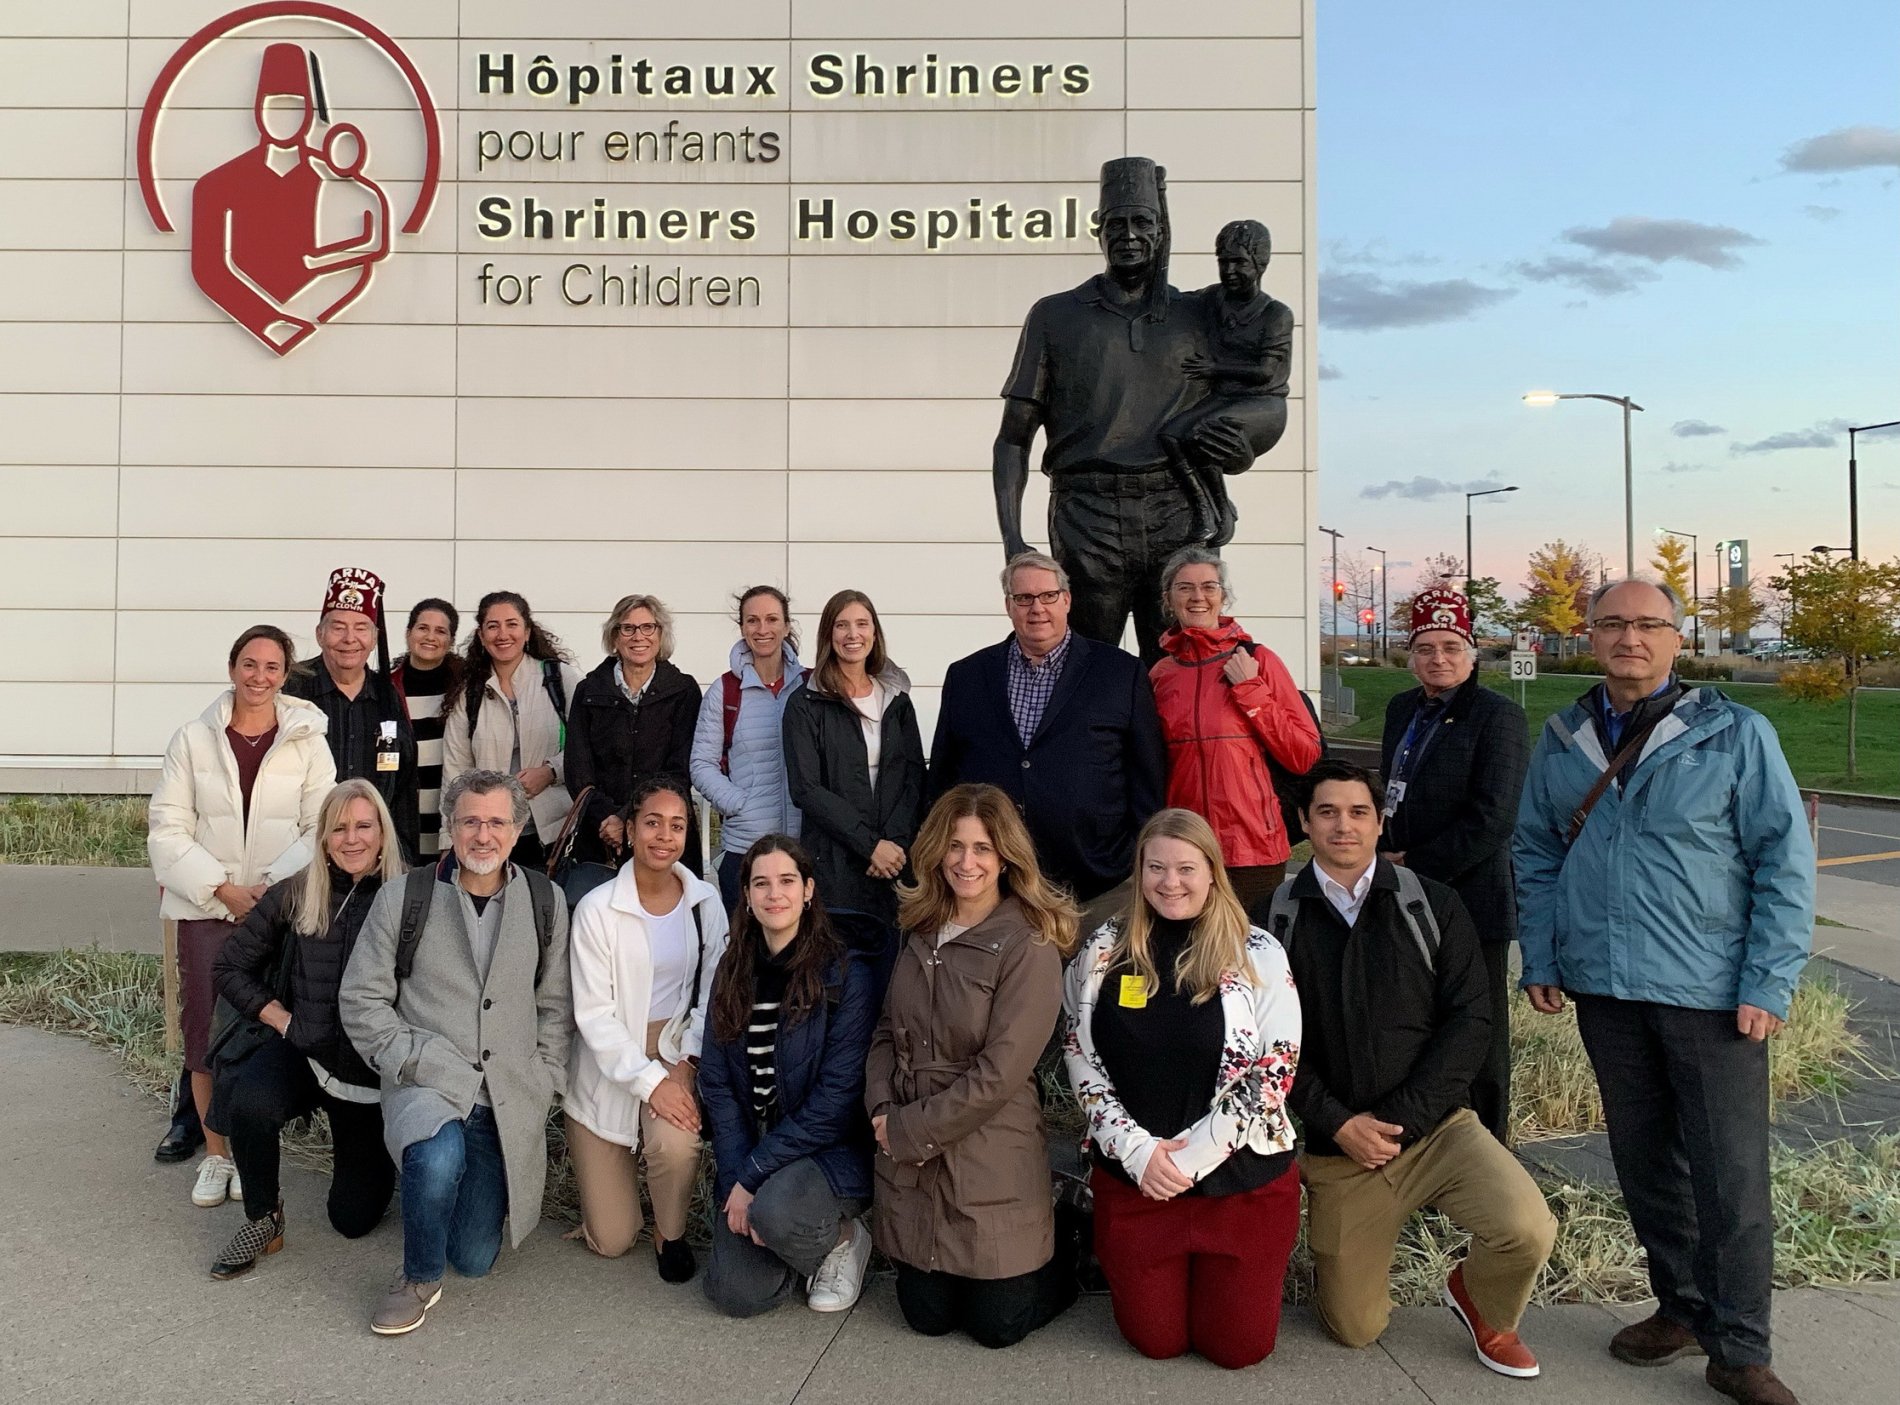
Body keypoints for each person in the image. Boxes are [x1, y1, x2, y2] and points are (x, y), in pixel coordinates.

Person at [1514, 579, 1814, 1405]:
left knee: (1731, 1178)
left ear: (1678, 638)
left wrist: (1768, 979)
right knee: (1646, 1162)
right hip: (1607, 989)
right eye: (1613, 623)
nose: (1630, 637)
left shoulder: (1736, 734)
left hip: (1710, 993)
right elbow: (1535, 851)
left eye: (1649, 623)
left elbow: (1783, 863)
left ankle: (1740, 1347)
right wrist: (1542, 955)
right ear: (1590, 635)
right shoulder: (1565, 736)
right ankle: (1680, 1305)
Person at [1271, 760, 1555, 1378]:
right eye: (1326, 812)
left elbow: (1471, 1021)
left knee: (1527, 1229)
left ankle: (1484, 1307)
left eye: (1358, 812)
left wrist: (1399, 1121)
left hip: (1438, 1133)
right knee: (1354, 1328)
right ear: (1304, 823)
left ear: (1380, 822)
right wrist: (1338, 1123)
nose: (1343, 826)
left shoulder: (1432, 904)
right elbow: (1266, 1043)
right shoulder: (1275, 919)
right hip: (1340, 1149)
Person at [993, 158, 1266, 660]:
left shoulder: (1199, 315)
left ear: (1161, 230)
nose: (1130, 235)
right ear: (1098, 230)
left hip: (1177, 510)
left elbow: (1256, 397)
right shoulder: (1056, 316)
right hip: (1087, 516)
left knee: (1183, 665)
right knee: (1085, 668)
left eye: (1143, 221)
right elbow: (1013, 438)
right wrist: (1013, 538)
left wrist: (1243, 447)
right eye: (1116, 223)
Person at [1064, 808, 1303, 1370]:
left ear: (1213, 872)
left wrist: (1189, 1160)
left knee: (1238, 1349)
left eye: (1186, 868)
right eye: (1156, 868)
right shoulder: (1105, 948)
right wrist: (1139, 1153)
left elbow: (1275, 1068)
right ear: (1139, 872)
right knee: (1156, 1340)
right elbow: (1078, 1051)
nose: (1170, 882)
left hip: (1241, 1186)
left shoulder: (1257, 951)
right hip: (1138, 1185)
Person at [338, 769, 572, 1337]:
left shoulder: (546, 900)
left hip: (505, 1096)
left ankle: (435, 1195)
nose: (483, 835)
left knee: (473, 1257)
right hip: (428, 1082)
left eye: (496, 822)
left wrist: (545, 1078)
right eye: (470, 821)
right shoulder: (405, 897)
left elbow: (555, 1005)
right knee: (437, 1154)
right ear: (450, 826)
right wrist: (411, 1059)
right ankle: (417, 1278)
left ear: (516, 830)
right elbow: (361, 1000)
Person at [866, 784, 1080, 1348]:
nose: (967, 862)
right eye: (955, 845)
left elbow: (1000, 1073)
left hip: (989, 1143)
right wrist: (882, 1106)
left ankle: (1070, 1239)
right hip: (913, 1149)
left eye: (983, 848)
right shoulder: (920, 926)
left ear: (1006, 856)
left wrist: (909, 1130)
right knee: (926, 1316)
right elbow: (887, 1030)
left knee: (996, 1326)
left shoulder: (1028, 942)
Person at [148, 624, 336, 1211]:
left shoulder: (308, 740)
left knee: (263, 1024)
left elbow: (320, 826)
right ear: (232, 668)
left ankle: (254, 1148)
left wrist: (268, 890)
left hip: (278, 908)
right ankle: (216, 1154)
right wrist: (222, 890)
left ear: (286, 674)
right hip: (207, 907)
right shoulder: (192, 738)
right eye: (249, 664)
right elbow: (168, 827)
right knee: (204, 1028)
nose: (260, 676)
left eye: (272, 666)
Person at [207, 779, 403, 1279]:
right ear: (323, 838)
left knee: (352, 1220)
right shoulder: (296, 891)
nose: (352, 839)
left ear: (382, 833)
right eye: (339, 828)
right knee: (251, 1100)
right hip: (307, 1050)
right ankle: (263, 1217)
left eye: (364, 826)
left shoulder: (411, 896)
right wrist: (280, 1018)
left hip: (368, 1075)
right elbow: (229, 966)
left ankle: (380, 1160)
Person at [929, 551, 1166, 928]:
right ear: (1008, 606)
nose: (1037, 608)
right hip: (994, 886)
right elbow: (944, 777)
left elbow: (1147, 778)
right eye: (1024, 598)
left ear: (1067, 600)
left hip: (1098, 883)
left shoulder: (1120, 673)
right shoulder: (968, 676)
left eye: (1048, 596)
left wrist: (1133, 855)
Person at [700, 835, 879, 1317]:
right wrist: (737, 1177)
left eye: (786, 881)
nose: (774, 894)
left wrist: (753, 1176)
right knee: (737, 1294)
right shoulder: (732, 970)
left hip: (827, 1154)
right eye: (761, 883)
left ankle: (843, 1237)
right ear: (746, 895)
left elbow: (837, 1101)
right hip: (755, 1149)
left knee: (775, 1211)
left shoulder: (845, 974)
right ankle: (793, 1241)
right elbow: (717, 1084)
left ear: (808, 890)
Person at [1378, 585, 1529, 1141]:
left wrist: (1416, 864)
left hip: (1470, 898)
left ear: (1472, 653)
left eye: (1450, 647)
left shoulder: (1498, 717)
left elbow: (1494, 818)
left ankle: (1490, 1146)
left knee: (1476, 1030)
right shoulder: (1402, 709)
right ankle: (1429, 1138)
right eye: (1425, 648)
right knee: (1418, 1021)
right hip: (1403, 894)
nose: (1437, 659)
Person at [564, 777, 728, 1284]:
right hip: (608, 1059)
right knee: (612, 1240)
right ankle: (614, 1193)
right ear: (631, 830)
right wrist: (650, 1083)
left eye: (677, 826)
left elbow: (713, 993)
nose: (665, 836)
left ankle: (669, 1232)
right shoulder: (597, 910)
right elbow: (595, 1017)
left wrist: (686, 1065)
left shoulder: (705, 902)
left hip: (675, 1048)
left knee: (678, 1144)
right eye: (653, 823)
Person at [1150, 546, 1320, 916]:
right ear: (1168, 599)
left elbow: (1303, 754)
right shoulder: (1161, 675)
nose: (1198, 596)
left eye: (1209, 587)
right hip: (1184, 848)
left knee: (1249, 948)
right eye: (1185, 587)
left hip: (1252, 848)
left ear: (1223, 597)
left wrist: (1250, 689)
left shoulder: (1258, 660)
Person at [782, 590, 926, 961]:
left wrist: (894, 845)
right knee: (839, 976)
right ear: (828, 635)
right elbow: (807, 789)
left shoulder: (897, 699)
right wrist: (870, 846)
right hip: (835, 868)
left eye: (862, 624)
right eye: (841, 625)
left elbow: (913, 777)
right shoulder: (805, 703)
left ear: (875, 632)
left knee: (894, 973)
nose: (852, 634)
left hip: (895, 866)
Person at [1158, 219, 1294, 546]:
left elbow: (1265, 371)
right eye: (1224, 262)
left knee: (1206, 435)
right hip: (1223, 399)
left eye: (1239, 263)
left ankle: (1220, 511)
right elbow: (1175, 302)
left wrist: (1214, 368)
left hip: (1262, 405)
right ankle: (1203, 506)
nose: (1230, 271)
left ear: (1260, 265)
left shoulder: (1275, 314)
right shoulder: (1214, 298)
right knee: (1171, 435)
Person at [285, 566, 421, 865]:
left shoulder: (388, 695)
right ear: (320, 634)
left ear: (374, 638)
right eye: (338, 627)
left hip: (371, 860)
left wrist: (404, 862)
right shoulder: (291, 690)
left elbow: (404, 786)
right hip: (300, 856)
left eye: (361, 628)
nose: (350, 638)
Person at [565, 594, 704, 875]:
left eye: (647, 627)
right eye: (628, 628)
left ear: (660, 634)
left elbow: (679, 770)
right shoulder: (589, 691)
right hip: (600, 836)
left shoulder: (683, 691)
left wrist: (627, 817)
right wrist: (609, 819)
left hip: (665, 834)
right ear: (615, 637)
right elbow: (578, 769)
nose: (638, 636)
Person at [442, 591, 580, 872]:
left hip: (554, 834)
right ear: (481, 636)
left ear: (527, 632)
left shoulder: (559, 679)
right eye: (493, 626)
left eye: (512, 624)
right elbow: (455, 770)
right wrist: (448, 840)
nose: (502, 634)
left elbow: (588, 746)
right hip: (487, 835)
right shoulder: (469, 693)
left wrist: (551, 771)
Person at [691, 586, 808, 913]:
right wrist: (737, 803)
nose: (762, 629)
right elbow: (701, 763)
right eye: (752, 620)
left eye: (772, 619)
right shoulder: (725, 690)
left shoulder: (811, 685)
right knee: (746, 941)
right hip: (745, 847)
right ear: (742, 627)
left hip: (803, 846)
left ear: (786, 625)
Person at [391, 598, 461, 859]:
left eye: (440, 631)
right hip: (400, 825)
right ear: (408, 633)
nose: (430, 637)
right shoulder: (386, 688)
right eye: (423, 628)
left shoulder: (466, 688)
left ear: (451, 641)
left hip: (450, 826)